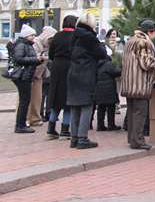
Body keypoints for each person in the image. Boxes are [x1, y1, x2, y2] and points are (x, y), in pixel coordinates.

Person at [67, 13, 107, 149]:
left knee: (75, 106)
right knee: (87, 105)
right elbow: (102, 54)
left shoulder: (74, 36)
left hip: (73, 74)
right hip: (86, 74)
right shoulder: (90, 38)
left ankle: (74, 138)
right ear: (91, 24)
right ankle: (82, 138)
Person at [120, 19, 155, 150]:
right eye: (154, 31)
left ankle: (132, 139)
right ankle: (138, 141)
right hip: (139, 84)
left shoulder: (131, 41)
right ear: (150, 31)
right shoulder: (144, 42)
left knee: (132, 112)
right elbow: (146, 63)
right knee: (140, 113)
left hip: (129, 83)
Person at [47, 15, 77, 139]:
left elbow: (50, 54)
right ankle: (65, 130)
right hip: (69, 67)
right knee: (67, 100)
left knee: (55, 99)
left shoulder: (57, 36)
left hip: (56, 67)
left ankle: (51, 129)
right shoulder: (75, 37)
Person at [12, 25, 45, 133]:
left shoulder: (27, 45)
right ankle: (20, 125)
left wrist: (38, 60)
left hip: (26, 75)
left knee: (25, 100)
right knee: (24, 101)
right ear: (26, 36)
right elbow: (19, 59)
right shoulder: (22, 45)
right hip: (22, 76)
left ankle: (21, 124)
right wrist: (35, 59)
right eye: (32, 35)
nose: (34, 37)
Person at [29, 26, 57, 128]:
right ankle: (27, 118)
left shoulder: (46, 46)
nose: (50, 42)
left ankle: (35, 118)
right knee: (28, 98)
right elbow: (32, 58)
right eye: (50, 39)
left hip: (40, 75)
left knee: (38, 98)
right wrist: (41, 58)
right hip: (31, 74)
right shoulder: (36, 43)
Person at [94, 48, 121, 131]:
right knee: (111, 107)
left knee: (101, 108)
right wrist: (121, 69)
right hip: (109, 90)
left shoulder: (96, 64)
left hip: (98, 89)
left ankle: (100, 125)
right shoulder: (108, 64)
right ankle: (111, 125)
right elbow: (116, 72)